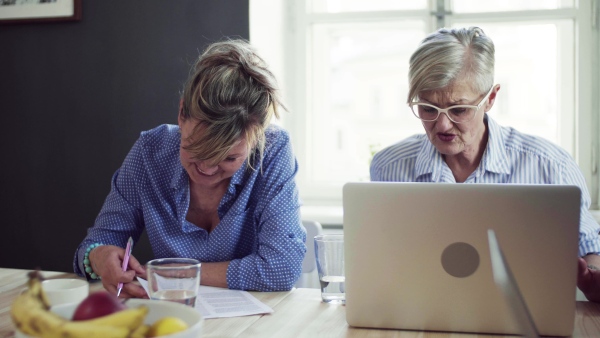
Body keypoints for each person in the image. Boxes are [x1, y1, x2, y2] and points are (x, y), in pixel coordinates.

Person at [370, 27, 600, 302]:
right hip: (422, 313)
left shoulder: (551, 165)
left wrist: (593, 274)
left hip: (524, 317)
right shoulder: (388, 166)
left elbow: (589, 244)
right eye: (428, 108)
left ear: (490, 99)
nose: (441, 125)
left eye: (459, 109)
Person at [73, 39, 306, 297]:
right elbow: (92, 247)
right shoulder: (149, 153)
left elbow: (283, 269)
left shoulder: (273, 151)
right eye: (196, 149)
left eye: (229, 158)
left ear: (257, 138)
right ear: (182, 113)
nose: (207, 168)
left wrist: (170, 274)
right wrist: (98, 256)